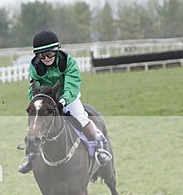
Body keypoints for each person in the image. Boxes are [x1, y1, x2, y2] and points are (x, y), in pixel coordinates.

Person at [18, 30, 112, 174]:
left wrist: (63, 100)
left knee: (82, 119)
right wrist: (36, 102)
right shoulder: (35, 66)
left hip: (68, 98)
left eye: (49, 54)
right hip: (46, 102)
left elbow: (72, 85)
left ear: (56, 51)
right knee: (33, 126)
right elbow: (33, 88)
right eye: (41, 55)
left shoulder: (68, 62)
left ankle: (99, 149)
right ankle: (30, 157)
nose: (46, 58)